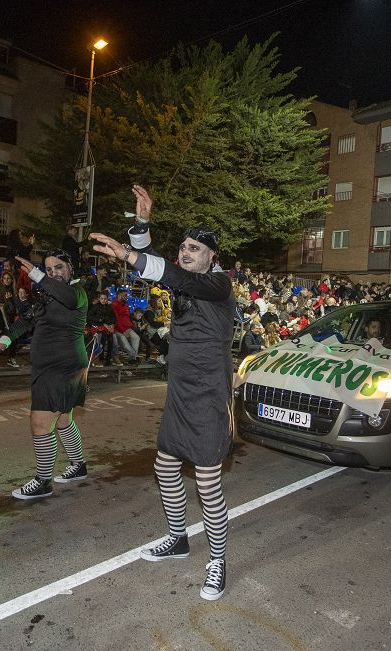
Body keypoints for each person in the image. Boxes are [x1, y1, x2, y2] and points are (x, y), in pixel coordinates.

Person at [90, 184, 235, 601]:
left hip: (210, 393)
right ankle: (178, 538)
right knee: (166, 466)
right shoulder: (185, 282)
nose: (186, 252)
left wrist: (128, 253)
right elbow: (160, 269)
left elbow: (165, 272)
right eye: (184, 247)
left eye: (195, 248)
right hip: (180, 392)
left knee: (208, 484)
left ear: (212, 257)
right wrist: (141, 225)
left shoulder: (219, 286)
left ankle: (218, 562)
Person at [0, 250, 90, 500]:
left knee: (40, 423)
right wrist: (6, 339)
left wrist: (37, 273)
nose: (53, 273)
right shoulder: (48, 295)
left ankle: (43, 481)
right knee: (63, 420)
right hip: (53, 367)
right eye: (49, 269)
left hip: (62, 368)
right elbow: (27, 320)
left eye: (58, 267)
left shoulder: (77, 292)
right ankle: (79, 466)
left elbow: (67, 298)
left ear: (71, 269)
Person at [87, 289, 117, 366]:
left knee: (112, 340)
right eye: (102, 299)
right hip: (97, 328)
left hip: (108, 329)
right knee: (102, 339)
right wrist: (102, 321)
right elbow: (89, 318)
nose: (103, 300)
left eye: (105, 299)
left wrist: (111, 324)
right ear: (99, 299)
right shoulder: (95, 307)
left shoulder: (109, 307)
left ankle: (108, 359)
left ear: (107, 299)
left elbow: (114, 318)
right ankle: (99, 358)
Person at [111, 288, 141, 364]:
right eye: (125, 295)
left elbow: (127, 317)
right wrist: (122, 331)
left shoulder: (126, 305)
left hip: (127, 328)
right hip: (117, 329)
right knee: (125, 344)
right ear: (119, 295)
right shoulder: (113, 305)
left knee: (136, 338)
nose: (126, 297)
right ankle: (134, 357)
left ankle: (132, 359)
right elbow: (115, 320)